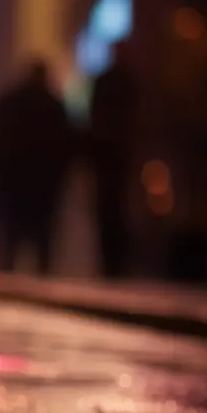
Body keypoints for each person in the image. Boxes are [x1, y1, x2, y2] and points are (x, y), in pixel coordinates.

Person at [0, 59, 74, 274]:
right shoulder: (54, 107)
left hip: (12, 186)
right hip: (44, 187)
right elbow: (67, 147)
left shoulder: (8, 104)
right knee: (43, 243)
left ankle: (10, 280)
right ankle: (42, 280)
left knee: (11, 239)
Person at [88, 41, 137, 277]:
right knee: (114, 211)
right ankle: (115, 265)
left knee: (109, 212)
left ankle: (112, 264)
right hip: (117, 157)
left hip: (109, 158)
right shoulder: (130, 83)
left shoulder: (108, 82)